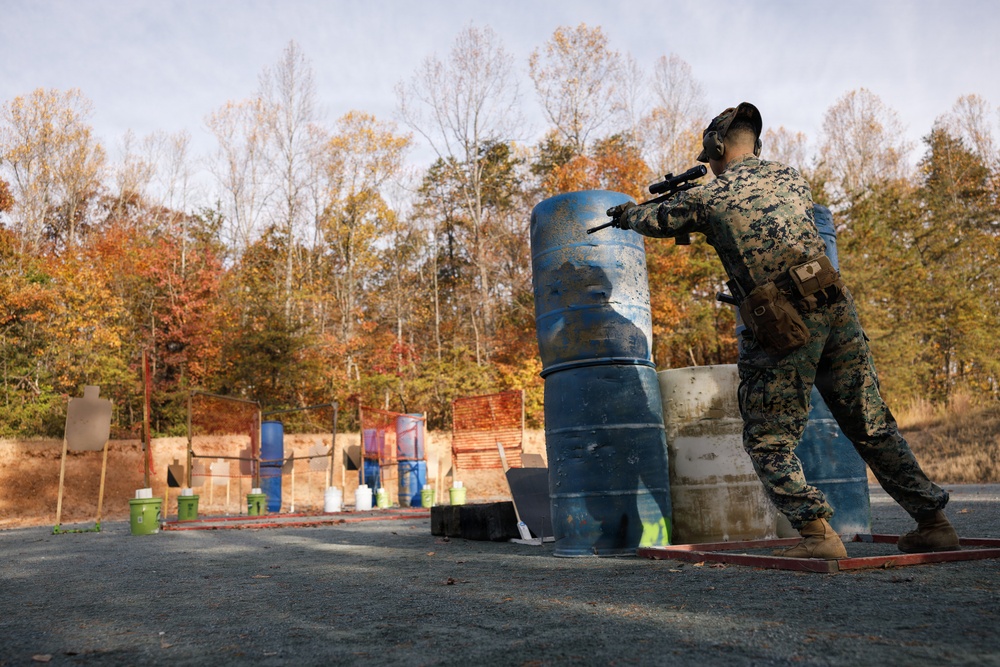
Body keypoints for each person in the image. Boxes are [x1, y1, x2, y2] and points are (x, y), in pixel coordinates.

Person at [607, 102, 959, 559]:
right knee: (870, 424)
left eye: (708, 155)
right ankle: (934, 521)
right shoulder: (792, 178)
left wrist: (626, 212)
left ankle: (818, 535)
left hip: (783, 320)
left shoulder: (708, 197)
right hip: (834, 304)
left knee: (767, 439)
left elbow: (653, 221)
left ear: (715, 146)